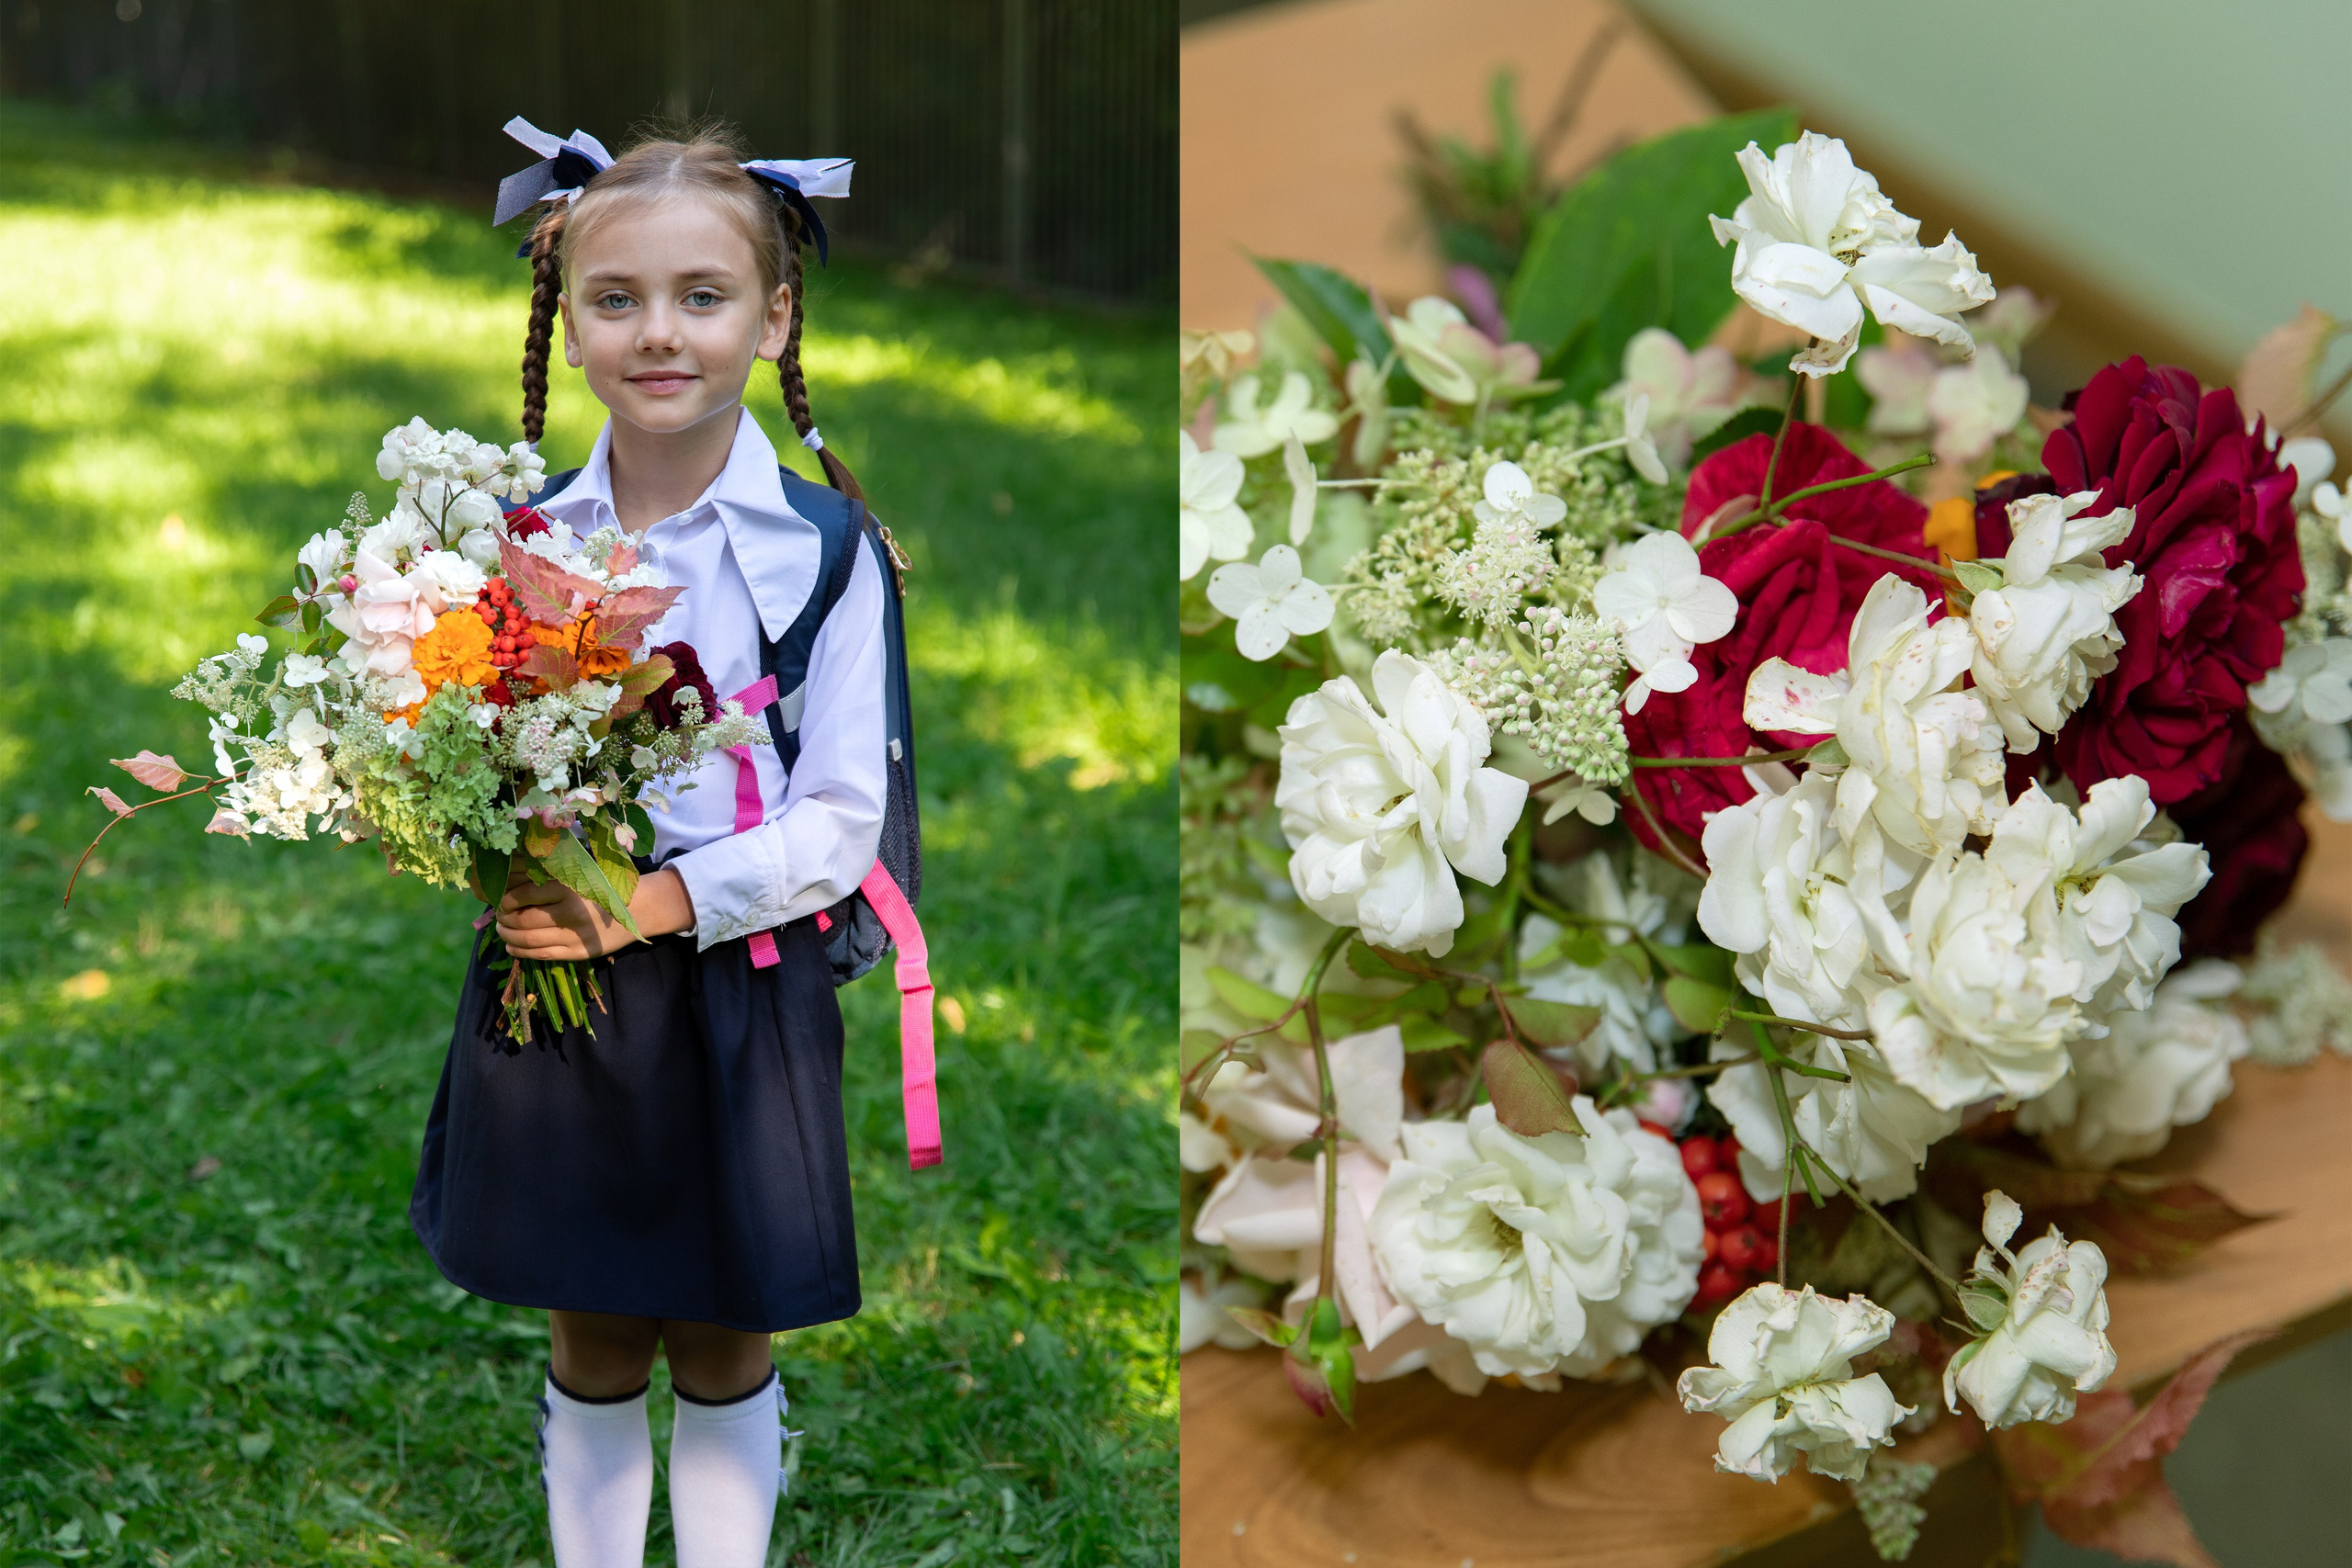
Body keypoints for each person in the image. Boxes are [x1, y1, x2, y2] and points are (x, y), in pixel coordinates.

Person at [408, 122, 886, 1568]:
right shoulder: (513, 540)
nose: (659, 334)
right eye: (616, 299)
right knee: (598, 1324)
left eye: (703, 296)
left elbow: (843, 818)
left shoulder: (827, 552)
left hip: (743, 981)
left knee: (724, 1335)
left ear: (774, 313)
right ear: (567, 313)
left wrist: (662, 898)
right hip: (562, 986)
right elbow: (462, 760)